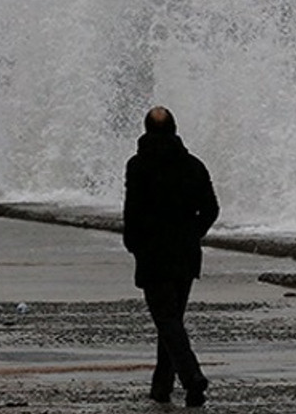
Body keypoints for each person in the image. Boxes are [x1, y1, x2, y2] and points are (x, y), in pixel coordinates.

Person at [122, 106, 219, 407]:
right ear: (175, 129)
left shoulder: (138, 165)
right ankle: (161, 387)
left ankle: (192, 377)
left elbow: (133, 211)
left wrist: (134, 244)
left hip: (154, 254)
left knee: (166, 320)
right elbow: (212, 209)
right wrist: (193, 233)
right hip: (186, 254)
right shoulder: (193, 165)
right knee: (171, 320)